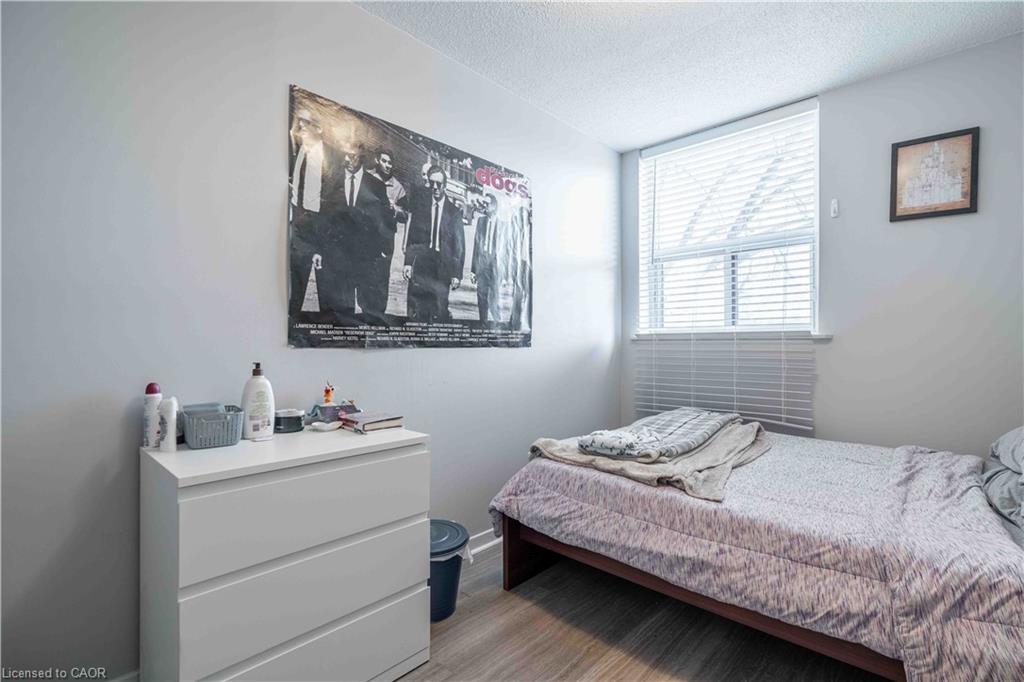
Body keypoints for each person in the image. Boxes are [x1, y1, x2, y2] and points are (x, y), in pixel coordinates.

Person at [317, 142, 390, 323]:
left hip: (365, 259)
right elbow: (322, 218)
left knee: (367, 308)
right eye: (346, 155)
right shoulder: (332, 181)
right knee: (340, 305)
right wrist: (319, 249)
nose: (347, 159)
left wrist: (381, 250)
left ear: (362, 158)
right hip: (337, 257)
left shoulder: (376, 186)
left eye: (353, 156)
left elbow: (385, 221)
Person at [288, 108, 344, 316]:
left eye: (306, 122)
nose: (300, 126)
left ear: (319, 128)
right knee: (296, 283)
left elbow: (335, 203)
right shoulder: (297, 150)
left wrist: (322, 242)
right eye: (298, 121)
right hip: (299, 222)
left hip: (322, 227)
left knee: (325, 289)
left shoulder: (334, 158)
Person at [403, 165, 465, 323]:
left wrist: (456, 274)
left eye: (439, 184)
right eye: (432, 183)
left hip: (442, 266)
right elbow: (413, 236)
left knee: (439, 309)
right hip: (423, 264)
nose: (435, 187)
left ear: (445, 185)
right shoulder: (421, 207)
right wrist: (408, 263)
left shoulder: (454, 213)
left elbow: (459, 245)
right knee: (418, 309)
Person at [469, 193, 502, 323]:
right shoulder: (480, 221)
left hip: (495, 267)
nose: (485, 206)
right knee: (481, 296)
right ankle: (483, 323)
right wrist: (473, 270)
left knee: (494, 299)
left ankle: (497, 324)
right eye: (484, 203)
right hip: (482, 264)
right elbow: (476, 247)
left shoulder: (502, 224)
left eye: (487, 203)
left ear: (494, 206)